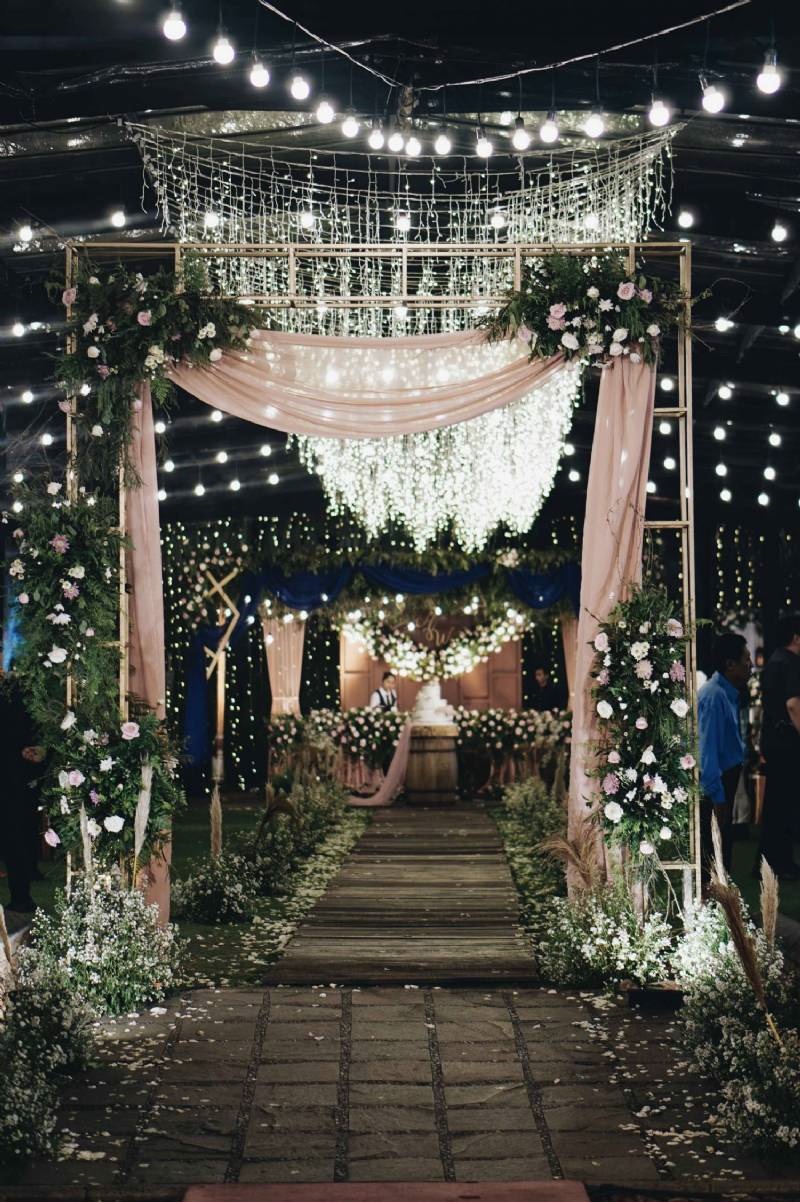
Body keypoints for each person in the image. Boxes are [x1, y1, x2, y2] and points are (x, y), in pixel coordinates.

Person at [697, 632, 751, 877]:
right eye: (746, 659)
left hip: (725, 783)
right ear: (730, 664)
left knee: (722, 858)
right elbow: (708, 754)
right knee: (714, 858)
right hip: (717, 788)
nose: (750, 665)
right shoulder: (714, 695)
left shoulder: (725, 693)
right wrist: (718, 799)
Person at [755, 614, 800, 880]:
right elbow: (793, 705)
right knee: (786, 803)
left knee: (776, 803)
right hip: (788, 743)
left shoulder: (774, 661)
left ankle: (770, 862)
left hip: (774, 741)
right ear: (795, 637)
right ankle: (779, 864)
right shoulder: (792, 663)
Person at [0, 668, 44, 913]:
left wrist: (34, 750)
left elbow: (30, 727)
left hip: (11, 776)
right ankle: (21, 897)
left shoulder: (17, 690)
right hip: (12, 773)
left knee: (14, 836)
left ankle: (21, 897)